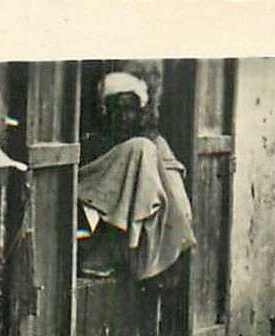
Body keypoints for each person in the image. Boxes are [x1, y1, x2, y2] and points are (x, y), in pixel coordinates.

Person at [76, 67, 196, 283]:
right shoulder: (97, 139)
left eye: (130, 109)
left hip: (143, 218)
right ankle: (128, 253)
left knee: (154, 147)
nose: (123, 116)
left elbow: (175, 191)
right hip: (89, 197)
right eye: (117, 109)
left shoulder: (151, 143)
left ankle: (165, 253)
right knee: (142, 149)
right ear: (106, 111)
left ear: (139, 111)